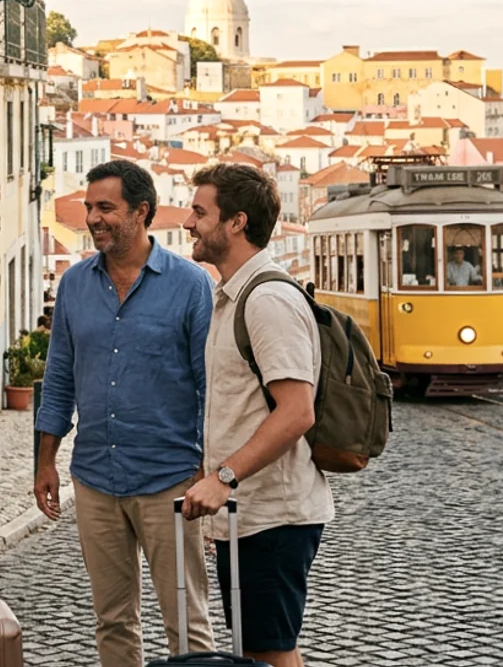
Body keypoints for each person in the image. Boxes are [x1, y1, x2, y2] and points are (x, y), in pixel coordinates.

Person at [34, 159, 215, 665]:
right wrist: (45, 461)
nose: (93, 218)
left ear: (143, 213)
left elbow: (210, 388)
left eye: (106, 208)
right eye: (90, 207)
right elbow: (59, 379)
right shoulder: (73, 286)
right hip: (95, 478)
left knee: (186, 619)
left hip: (170, 480)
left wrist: (208, 469)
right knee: (112, 620)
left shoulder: (189, 285)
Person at [181, 163, 333, 667]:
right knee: (263, 649)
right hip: (248, 516)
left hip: (274, 515)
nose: (188, 222)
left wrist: (224, 477)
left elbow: (296, 413)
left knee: (270, 652)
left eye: (200, 212)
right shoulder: (234, 296)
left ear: (236, 222)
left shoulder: (266, 300)